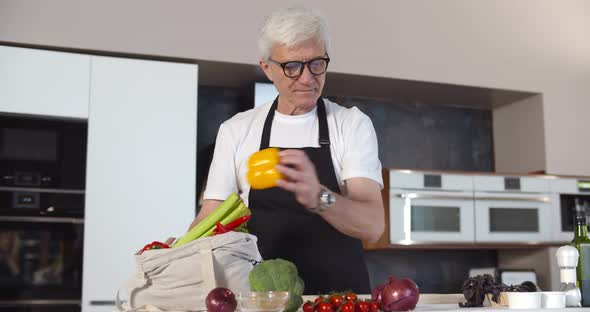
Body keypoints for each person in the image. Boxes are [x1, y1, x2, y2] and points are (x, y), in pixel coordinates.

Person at [190, 7, 384, 294]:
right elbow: (212, 217)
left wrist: (319, 196)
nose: (307, 78)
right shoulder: (236, 130)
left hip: (340, 300)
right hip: (263, 299)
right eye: (292, 66)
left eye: (317, 63)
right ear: (267, 68)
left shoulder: (351, 124)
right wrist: (171, 254)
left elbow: (372, 225)